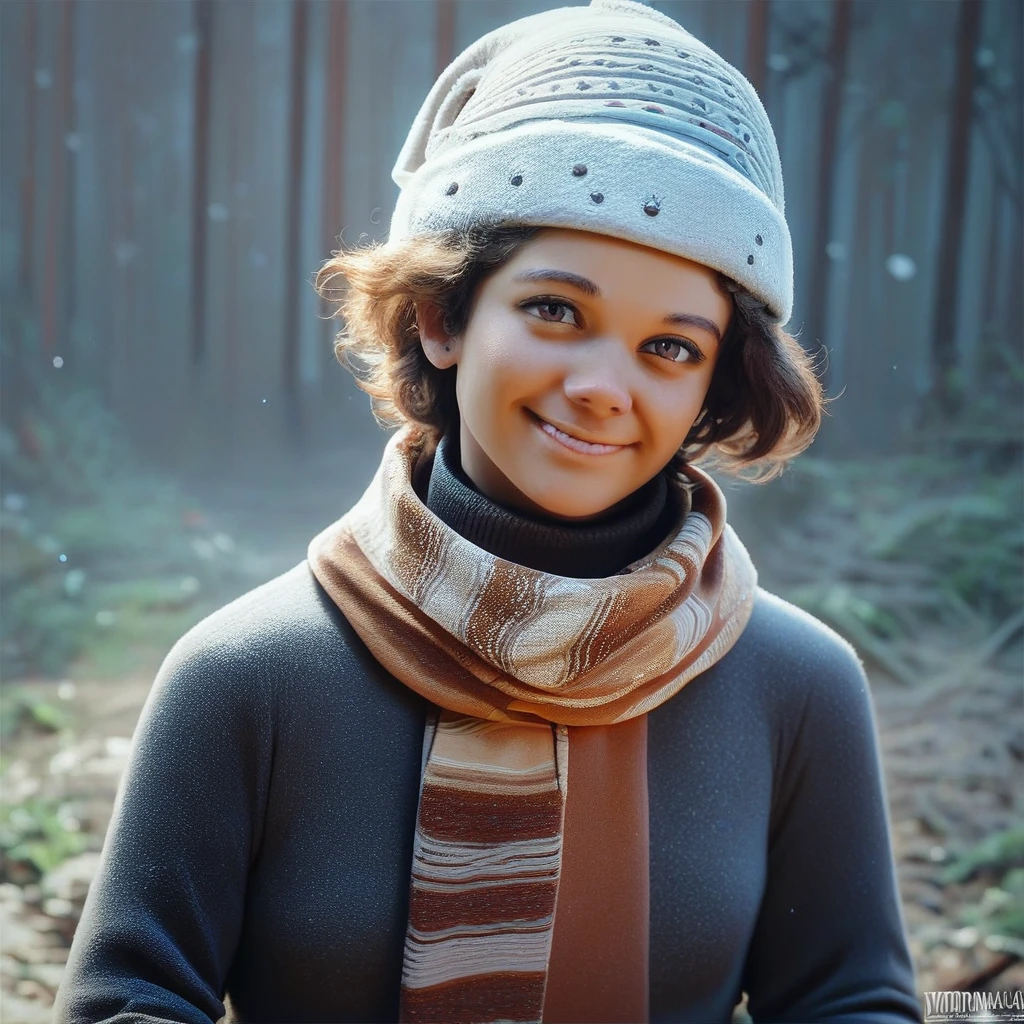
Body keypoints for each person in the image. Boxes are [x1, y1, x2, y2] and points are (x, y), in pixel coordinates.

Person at [54, 1, 923, 1021]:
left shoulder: (795, 688)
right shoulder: (247, 676)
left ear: (712, 389)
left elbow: (849, 999)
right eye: (556, 311)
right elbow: (131, 1001)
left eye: (671, 346)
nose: (606, 385)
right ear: (441, 316)